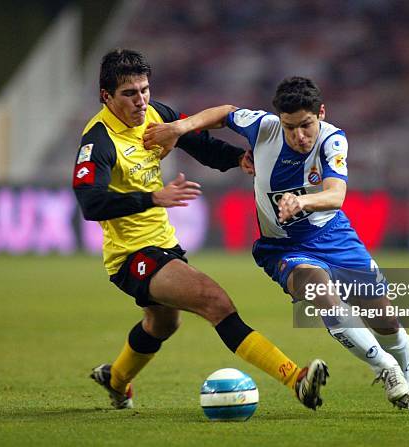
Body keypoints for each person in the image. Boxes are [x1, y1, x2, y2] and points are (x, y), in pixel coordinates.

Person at [143, 76, 409, 415]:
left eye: (306, 125)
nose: (299, 136)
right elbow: (225, 113)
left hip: (334, 238)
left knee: (385, 318)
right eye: (290, 127)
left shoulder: (332, 140)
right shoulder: (264, 127)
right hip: (285, 248)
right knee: (321, 294)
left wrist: (303, 203)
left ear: (321, 114)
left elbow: (336, 194)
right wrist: (180, 128)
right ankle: (385, 370)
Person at [72, 50, 329, 412]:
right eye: (130, 93)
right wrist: (153, 197)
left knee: (161, 324)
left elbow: (196, 141)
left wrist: (235, 158)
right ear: (106, 96)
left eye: (144, 90)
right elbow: (91, 203)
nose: (141, 100)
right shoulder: (99, 141)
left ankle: (115, 380)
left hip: (163, 245)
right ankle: (296, 379)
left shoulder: (155, 114)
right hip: (131, 255)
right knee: (215, 301)